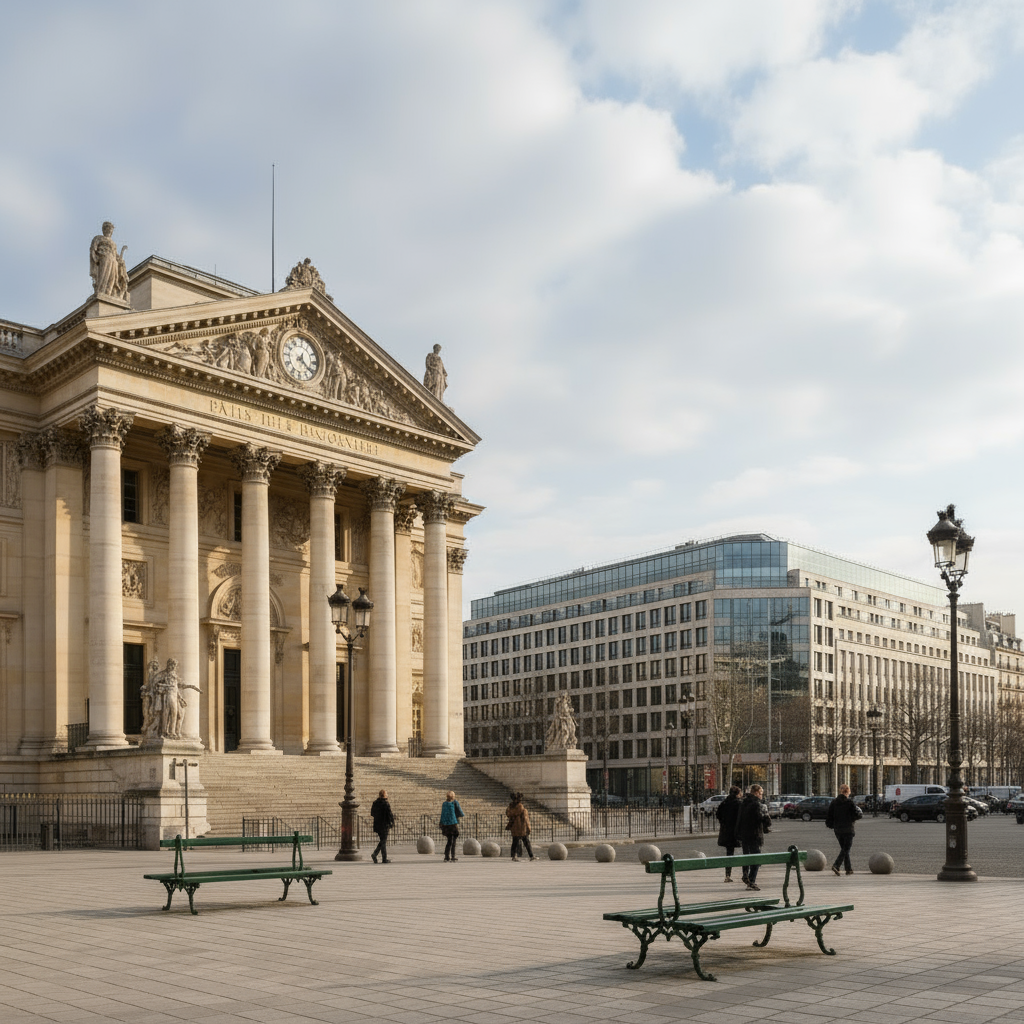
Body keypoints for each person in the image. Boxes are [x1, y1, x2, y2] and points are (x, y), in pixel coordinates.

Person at [736, 784, 772, 891]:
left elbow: (739, 820)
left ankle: (745, 875)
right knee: (756, 859)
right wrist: (766, 817)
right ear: (756, 793)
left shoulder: (743, 803)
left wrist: (738, 833)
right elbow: (764, 821)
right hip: (755, 835)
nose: (761, 796)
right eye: (761, 793)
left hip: (744, 835)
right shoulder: (757, 805)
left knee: (746, 856)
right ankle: (752, 881)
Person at [825, 783, 862, 876]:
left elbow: (829, 816)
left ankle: (848, 869)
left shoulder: (834, 803)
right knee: (846, 849)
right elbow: (856, 814)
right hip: (848, 829)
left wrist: (832, 825)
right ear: (848, 792)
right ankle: (836, 865)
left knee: (844, 849)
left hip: (838, 830)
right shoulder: (849, 802)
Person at [715, 785, 743, 883]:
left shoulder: (724, 803)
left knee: (729, 853)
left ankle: (727, 874)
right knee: (746, 852)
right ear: (738, 794)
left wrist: (723, 823)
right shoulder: (739, 803)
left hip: (726, 831)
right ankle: (746, 875)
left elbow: (718, 814)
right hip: (737, 831)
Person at [506, 792, 535, 861]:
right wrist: (528, 828)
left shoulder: (510, 808)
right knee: (526, 842)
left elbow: (509, 815)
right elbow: (526, 819)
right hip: (522, 828)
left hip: (514, 828)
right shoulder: (522, 809)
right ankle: (531, 856)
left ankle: (514, 856)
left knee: (515, 842)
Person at [370, 789, 395, 864]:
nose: (387, 795)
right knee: (383, 841)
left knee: (382, 841)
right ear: (384, 795)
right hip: (384, 825)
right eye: (386, 794)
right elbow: (389, 815)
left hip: (378, 825)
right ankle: (378, 856)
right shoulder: (386, 804)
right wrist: (392, 822)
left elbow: (372, 813)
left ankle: (380, 856)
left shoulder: (375, 803)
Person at [439, 790, 464, 862]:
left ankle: (446, 856)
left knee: (449, 841)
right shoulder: (455, 802)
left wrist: (442, 823)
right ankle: (453, 856)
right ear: (453, 796)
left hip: (446, 825)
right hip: (453, 824)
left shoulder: (444, 804)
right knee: (453, 841)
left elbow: (442, 814)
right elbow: (461, 813)